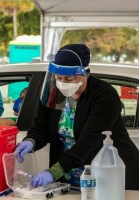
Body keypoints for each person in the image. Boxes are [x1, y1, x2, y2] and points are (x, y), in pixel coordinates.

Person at [15, 44, 139, 190]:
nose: (62, 83)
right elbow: (40, 128)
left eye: (69, 79)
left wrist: (52, 173)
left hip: (108, 174)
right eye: (59, 77)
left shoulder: (104, 95)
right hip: (69, 176)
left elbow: (87, 143)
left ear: (86, 74)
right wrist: (31, 141)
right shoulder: (54, 91)